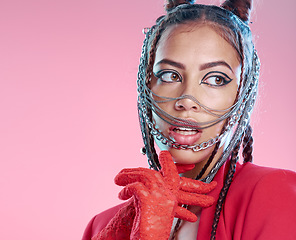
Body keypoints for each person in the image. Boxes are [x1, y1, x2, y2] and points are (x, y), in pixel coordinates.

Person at [82, 0, 296, 239]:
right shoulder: (102, 227)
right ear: (147, 86)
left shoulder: (273, 194)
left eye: (216, 79)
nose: (187, 99)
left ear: (241, 94)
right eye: (170, 75)